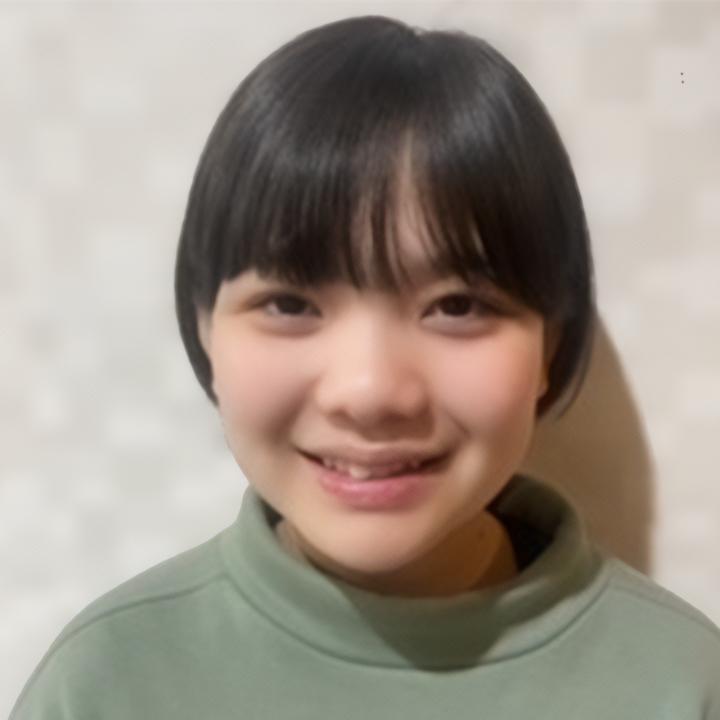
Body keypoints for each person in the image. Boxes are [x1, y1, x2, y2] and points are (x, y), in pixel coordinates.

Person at [11, 14, 720, 719]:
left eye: (457, 306)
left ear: (551, 347)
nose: (370, 391)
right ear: (205, 329)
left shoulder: (683, 682)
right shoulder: (105, 684)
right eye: (289, 304)